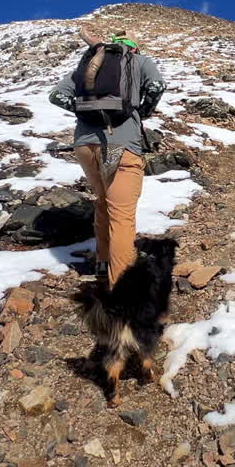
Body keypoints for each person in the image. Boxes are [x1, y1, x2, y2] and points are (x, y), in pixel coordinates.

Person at [49, 32, 166, 284]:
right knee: (121, 214)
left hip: (84, 145)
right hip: (118, 144)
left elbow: (56, 96)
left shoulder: (91, 62)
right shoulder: (139, 61)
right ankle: (121, 285)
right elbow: (157, 86)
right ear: (132, 49)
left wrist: (87, 112)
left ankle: (103, 266)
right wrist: (142, 111)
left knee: (102, 202)